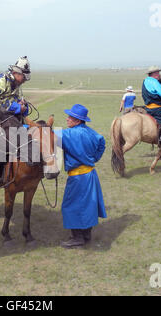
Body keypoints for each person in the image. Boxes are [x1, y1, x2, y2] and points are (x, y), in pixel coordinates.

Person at [54, 104, 107, 248]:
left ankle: (77, 238)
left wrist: (28, 127)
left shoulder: (69, 135)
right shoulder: (91, 132)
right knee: (88, 205)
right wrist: (93, 158)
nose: (67, 119)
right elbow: (102, 143)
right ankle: (86, 235)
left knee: (70, 205)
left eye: (70, 117)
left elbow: (46, 135)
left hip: (77, 177)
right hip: (90, 174)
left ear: (77, 120)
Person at [0, 56, 31, 187]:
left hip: (8, 117)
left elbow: (16, 100)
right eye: (23, 77)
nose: (24, 81)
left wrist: (22, 105)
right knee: (7, 139)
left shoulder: (16, 85)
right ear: (16, 73)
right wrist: (15, 106)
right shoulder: (2, 80)